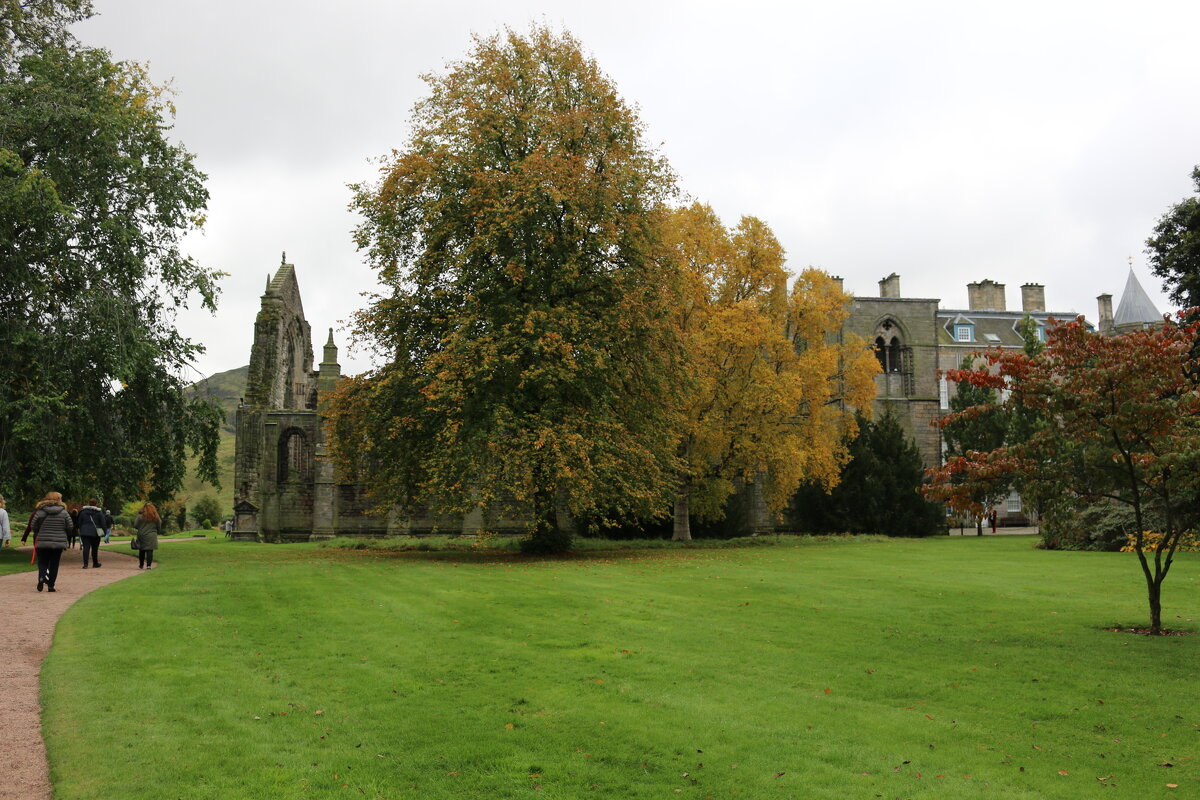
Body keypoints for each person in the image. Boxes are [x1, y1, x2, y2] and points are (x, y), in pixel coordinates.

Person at [24, 491, 73, 592]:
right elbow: (70, 527)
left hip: (42, 541)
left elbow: (33, 526)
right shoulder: (64, 513)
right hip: (58, 542)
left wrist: (39, 532)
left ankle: (42, 577)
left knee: (43, 562)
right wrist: (63, 532)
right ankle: (51, 585)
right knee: (54, 563)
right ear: (59, 499)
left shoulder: (40, 512)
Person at [133, 502, 162, 570]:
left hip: (142, 534)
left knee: (142, 550)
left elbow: (135, 525)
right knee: (150, 551)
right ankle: (148, 565)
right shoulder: (156, 516)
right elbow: (159, 525)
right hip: (151, 535)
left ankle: (141, 564)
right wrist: (158, 531)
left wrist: (141, 527)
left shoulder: (140, 516)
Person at [77, 498, 105, 568]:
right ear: (96, 504)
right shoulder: (99, 513)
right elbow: (103, 523)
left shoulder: (83, 512)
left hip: (85, 531)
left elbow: (79, 522)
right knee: (95, 548)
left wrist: (81, 529)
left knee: (86, 548)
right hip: (95, 532)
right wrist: (103, 531)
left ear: (89, 503)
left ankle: (85, 564)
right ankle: (95, 563)